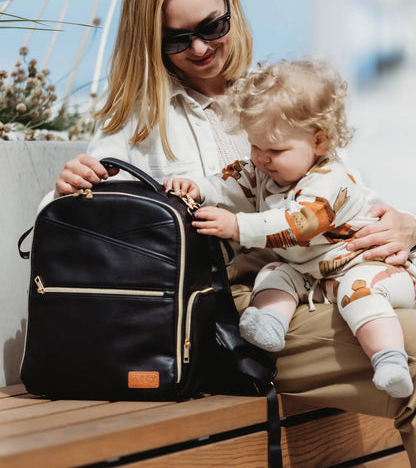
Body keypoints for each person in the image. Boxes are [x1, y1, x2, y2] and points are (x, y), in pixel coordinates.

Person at [48, 0, 416, 464]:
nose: (199, 49)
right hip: (234, 313)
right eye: (177, 39)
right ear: (149, 38)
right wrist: (70, 187)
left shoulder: (276, 93)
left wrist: (406, 225)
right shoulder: (139, 125)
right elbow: (69, 226)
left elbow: (341, 188)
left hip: (325, 282)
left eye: (211, 27)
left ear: (231, 5)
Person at [164, 60, 416, 399]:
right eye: (254, 146)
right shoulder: (265, 170)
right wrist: (198, 188)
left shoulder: (331, 182)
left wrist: (236, 225)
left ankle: (389, 359)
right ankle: (270, 324)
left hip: (368, 266)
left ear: (319, 142)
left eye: (275, 150)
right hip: (310, 272)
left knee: (358, 294)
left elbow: (297, 225)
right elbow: (232, 182)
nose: (261, 159)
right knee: (273, 273)